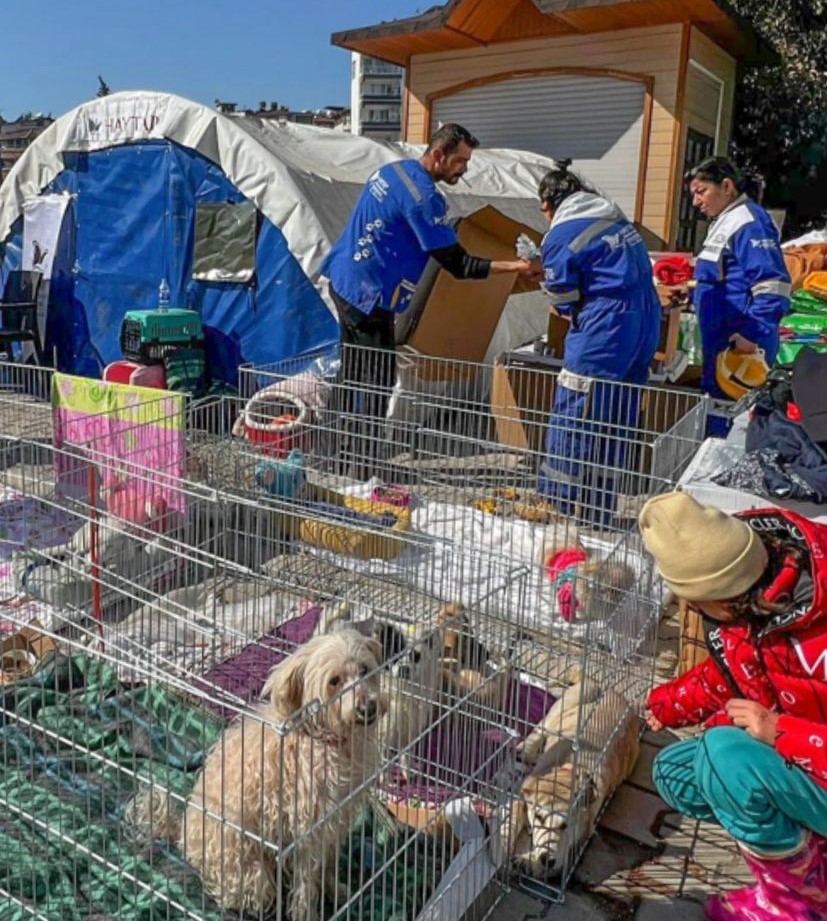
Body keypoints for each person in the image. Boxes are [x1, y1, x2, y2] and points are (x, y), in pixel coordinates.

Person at [639, 491, 827, 921]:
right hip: (807, 761)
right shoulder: (747, 606)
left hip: (811, 750)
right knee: (678, 773)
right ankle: (810, 858)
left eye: (694, 602)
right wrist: (666, 704)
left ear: (722, 597)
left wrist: (779, 730)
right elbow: (733, 675)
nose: (689, 610)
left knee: (725, 760)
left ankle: (797, 906)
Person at [319, 123, 536, 474]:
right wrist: (514, 266)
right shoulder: (425, 197)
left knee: (353, 369)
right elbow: (459, 264)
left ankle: (331, 450)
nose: (464, 169)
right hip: (368, 295)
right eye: (460, 161)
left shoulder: (391, 171)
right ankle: (362, 463)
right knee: (377, 378)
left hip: (345, 278)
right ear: (439, 155)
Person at [534, 161, 660, 524]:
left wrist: (561, 301)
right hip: (644, 316)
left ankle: (556, 503)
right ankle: (598, 507)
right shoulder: (613, 216)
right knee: (617, 410)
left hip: (607, 325)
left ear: (548, 203)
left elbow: (562, 297)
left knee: (577, 403)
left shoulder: (560, 235)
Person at [686, 156, 790, 400]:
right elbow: (722, 276)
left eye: (701, 192)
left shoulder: (748, 222)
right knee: (716, 413)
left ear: (726, 186)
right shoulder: (725, 221)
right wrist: (692, 292)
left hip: (742, 344)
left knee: (734, 422)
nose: (695, 201)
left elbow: (773, 284)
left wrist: (753, 333)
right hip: (722, 341)